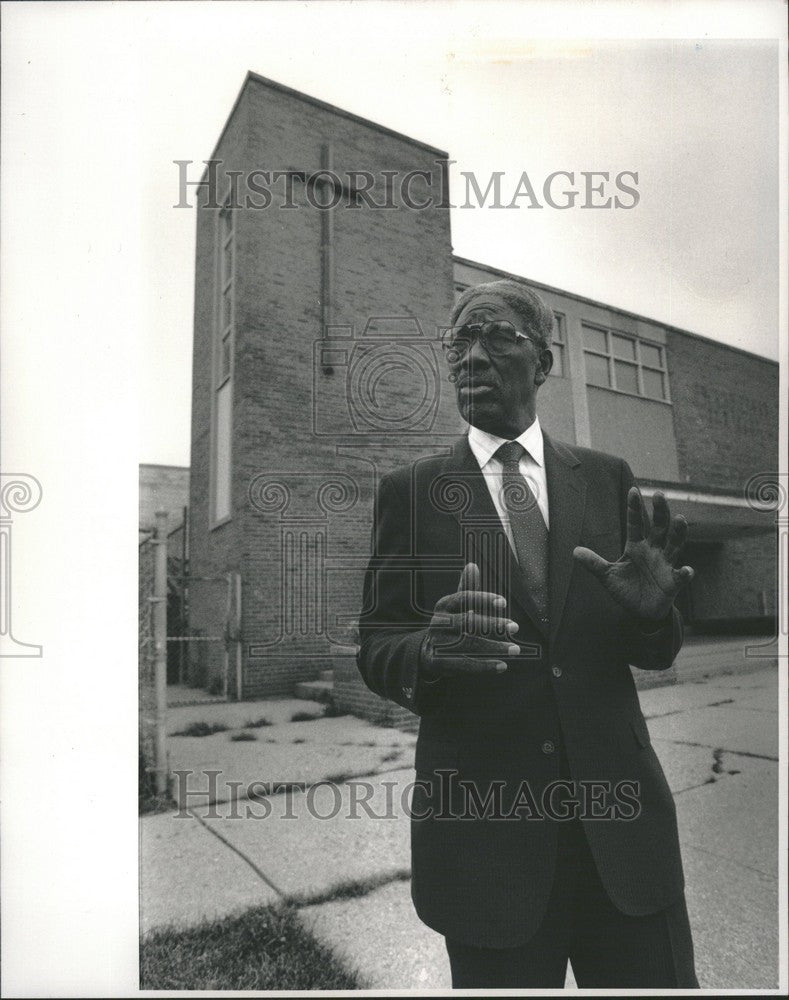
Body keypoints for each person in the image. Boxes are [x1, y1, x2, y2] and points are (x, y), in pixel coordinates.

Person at [356, 279, 699, 988]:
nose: (471, 357)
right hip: (486, 852)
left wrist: (650, 615)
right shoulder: (411, 493)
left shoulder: (605, 480)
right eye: (458, 342)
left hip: (623, 836)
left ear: (542, 364)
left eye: (495, 338)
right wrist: (427, 650)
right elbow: (378, 643)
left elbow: (654, 650)